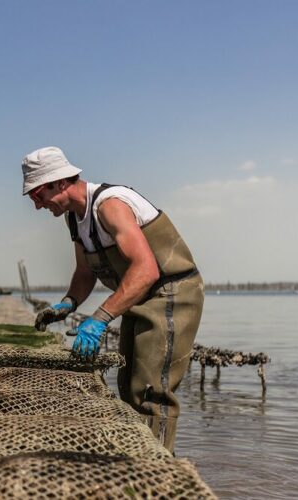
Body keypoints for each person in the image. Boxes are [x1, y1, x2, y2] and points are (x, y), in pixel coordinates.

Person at [23, 146, 204, 452]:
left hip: (171, 295)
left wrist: (99, 319)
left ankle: (159, 473)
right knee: (128, 387)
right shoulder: (75, 219)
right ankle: (140, 457)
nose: (38, 206)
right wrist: (68, 304)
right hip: (138, 298)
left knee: (151, 392)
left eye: (38, 195)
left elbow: (145, 270)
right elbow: (84, 272)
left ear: (60, 182)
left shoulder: (110, 205)